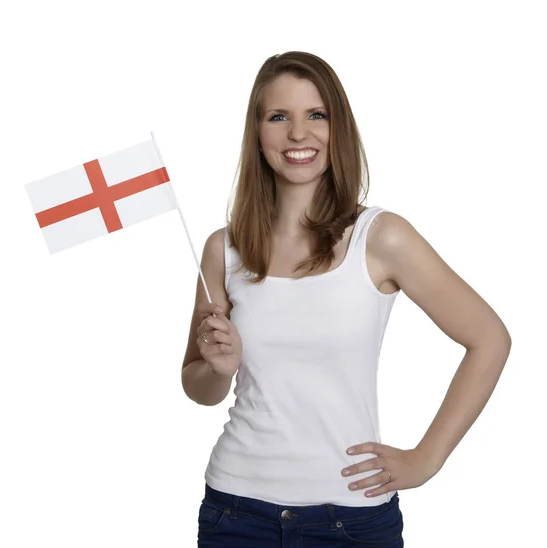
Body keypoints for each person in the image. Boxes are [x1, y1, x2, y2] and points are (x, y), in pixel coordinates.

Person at [181, 51, 511, 547]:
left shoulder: (380, 238)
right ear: (257, 132)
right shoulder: (222, 250)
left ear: (339, 128)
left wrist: (427, 459)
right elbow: (198, 387)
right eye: (279, 117)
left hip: (351, 520)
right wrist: (220, 369)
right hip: (235, 513)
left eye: (316, 115)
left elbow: (489, 339)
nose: (298, 134)